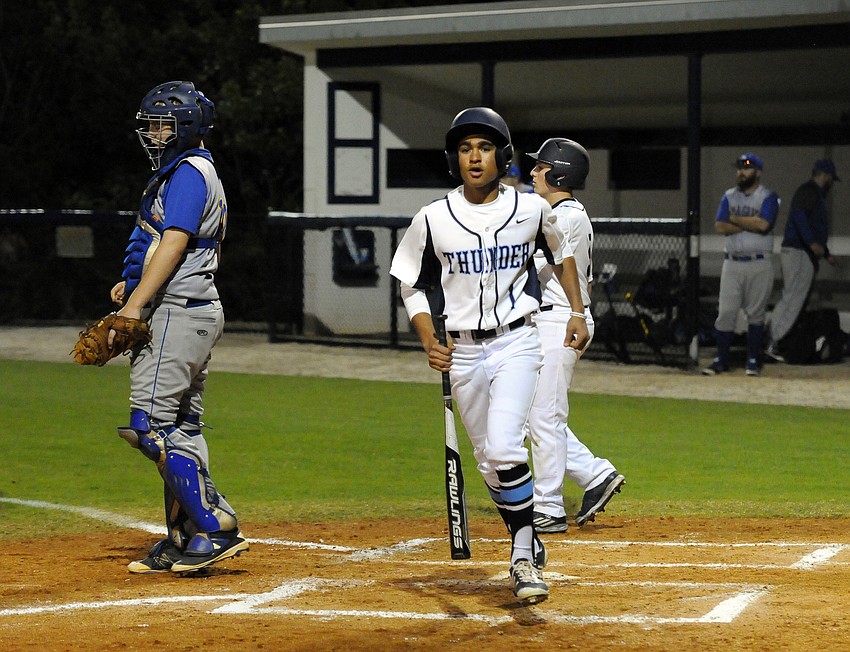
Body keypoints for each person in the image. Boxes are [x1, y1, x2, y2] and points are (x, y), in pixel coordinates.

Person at [389, 107, 590, 605]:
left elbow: (559, 253)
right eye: (464, 149)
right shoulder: (433, 217)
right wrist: (426, 338)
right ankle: (530, 536)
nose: (474, 157)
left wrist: (577, 312)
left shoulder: (530, 208)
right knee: (487, 461)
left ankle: (522, 557)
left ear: (501, 155)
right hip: (462, 349)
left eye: (483, 147)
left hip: (518, 341)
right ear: (454, 159)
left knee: (504, 449)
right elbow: (410, 284)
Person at [110, 81, 247, 574]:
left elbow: (175, 240)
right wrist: (132, 287)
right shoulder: (191, 170)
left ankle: (214, 523)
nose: (152, 131)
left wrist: (137, 305)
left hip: (175, 314)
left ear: (185, 126)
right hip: (191, 309)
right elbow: (172, 246)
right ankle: (185, 536)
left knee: (149, 427)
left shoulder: (188, 172)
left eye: (161, 122)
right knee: (182, 427)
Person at [525, 138, 625, 534]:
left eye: (540, 166)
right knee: (536, 417)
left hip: (562, 321)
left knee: (545, 417)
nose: (533, 172)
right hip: (550, 321)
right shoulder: (558, 212)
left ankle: (547, 505)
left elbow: (523, 262)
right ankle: (595, 474)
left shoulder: (564, 216)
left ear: (559, 173)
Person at [702, 153, 779, 377]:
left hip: (759, 261)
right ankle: (720, 360)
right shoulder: (729, 195)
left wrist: (734, 219)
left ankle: (753, 360)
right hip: (732, 263)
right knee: (726, 313)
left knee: (756, 314)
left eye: (747, 168)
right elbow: (719, 226)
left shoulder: (768, 196)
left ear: (758, 172)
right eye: (739, 168)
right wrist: (749, 223)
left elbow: (764, 224)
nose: (741, 172)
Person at [767, 159, 841, 361]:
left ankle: (776, 341)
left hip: (800, 252)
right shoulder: (809, 191)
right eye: (830, 179)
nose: (831, 183)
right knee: (792, 299)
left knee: (793, 298)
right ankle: (773, 343)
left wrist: (825, 253)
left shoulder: (811, 192)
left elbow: (813, 226)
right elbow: (800, 217)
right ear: (824, 175)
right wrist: (811, 243)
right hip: (799, 252)